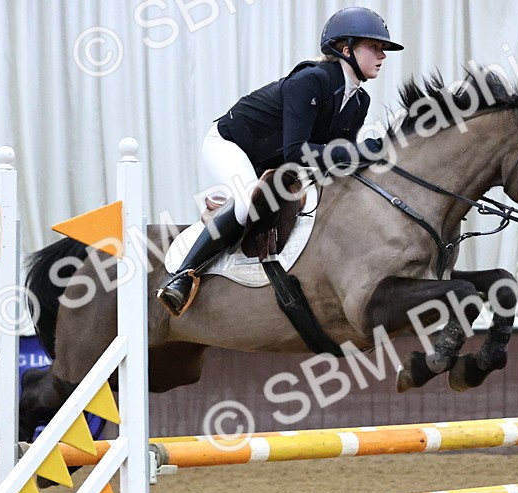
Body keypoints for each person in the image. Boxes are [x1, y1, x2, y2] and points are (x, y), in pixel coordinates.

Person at [157, 6, 403, 316]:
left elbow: (338, 161)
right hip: (230, 143)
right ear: (346, 49)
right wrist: (359, 152)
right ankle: (181, 277)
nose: (382, 55)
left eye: (382, 49)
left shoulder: (358, 101)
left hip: (274, 159)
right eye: (375, 47)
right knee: (248, 201)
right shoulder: (312, 80)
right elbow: (297, 152)